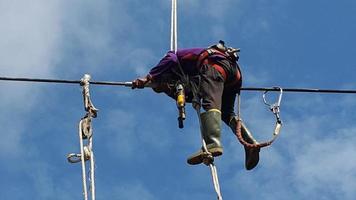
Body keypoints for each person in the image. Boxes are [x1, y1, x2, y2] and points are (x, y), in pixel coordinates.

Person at [132, 41, 260, 170]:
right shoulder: (184, 76)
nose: (166, 88)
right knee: (227, 113)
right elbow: (191, 93)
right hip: (233, 75)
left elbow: (171, 58)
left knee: (210, 102)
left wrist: (149, 77)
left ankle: (212, 144)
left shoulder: (171, 60)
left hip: (215, 65)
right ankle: (250, 144)